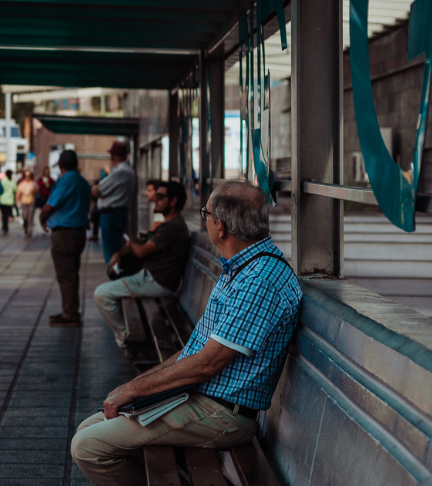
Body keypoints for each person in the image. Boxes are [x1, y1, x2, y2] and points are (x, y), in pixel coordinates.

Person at [71, 181, 299, 486]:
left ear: (220, 227)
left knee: (88, 447)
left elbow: (208, 363)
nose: (204, 220)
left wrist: (136, 390)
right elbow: (195, 350)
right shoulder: (243, 268)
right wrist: (135, 385)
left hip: (222, 413)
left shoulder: (260, 279)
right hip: (200, 397)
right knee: (90, 428)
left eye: (206, 213)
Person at [94, 180, 192, 351]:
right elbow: (141, 245)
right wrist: (120, 253)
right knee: (110, 287)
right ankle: (127, 337)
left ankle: (126, 337)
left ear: (173, 201)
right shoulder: (168, 225)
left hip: (157, 283)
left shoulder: (173, 227)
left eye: (160, 197)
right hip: (150, 277)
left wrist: (131, 242)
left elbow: (141, 251)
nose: (155, 199)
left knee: (101, 294)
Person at [38, 150, 92, 327]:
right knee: (72, 273)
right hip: (78, 232)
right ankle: (70, 310)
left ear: (61, 165)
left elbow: (50, 206)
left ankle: (70, 313)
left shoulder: (66, 180)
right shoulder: (83, 182)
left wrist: (42, 218)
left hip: (65, 234)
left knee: (66, 275)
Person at [92, 140, 137, 264]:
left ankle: (115, 279)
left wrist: (96, 188)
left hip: (111, 215)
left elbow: (97, 191)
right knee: (115, 250)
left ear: (115, 156)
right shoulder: (127, 170)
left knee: (111, 254)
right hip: (116, 213)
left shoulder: (120, 171)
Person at [16, 169, 38, 237]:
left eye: (28, 176)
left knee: (30, 217)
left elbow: (38, 190)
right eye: (26, 176)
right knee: (24, 217)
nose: (27, 177)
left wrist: (33, 190)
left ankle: (29, 231)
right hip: (24, 202)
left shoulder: (33, 183)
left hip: (31, 202)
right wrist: (16, 201)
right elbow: (18, 193)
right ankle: (26, 228)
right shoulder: (21, 184)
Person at [0, 169, 17, 236]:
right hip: (9, 200)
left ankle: (4, 227)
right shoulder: (12, 182)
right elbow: (15, 190)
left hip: (3, 200)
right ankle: (5, 227)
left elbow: (0, 189)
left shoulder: (3, 181)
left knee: (4, 215)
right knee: (6, 215)